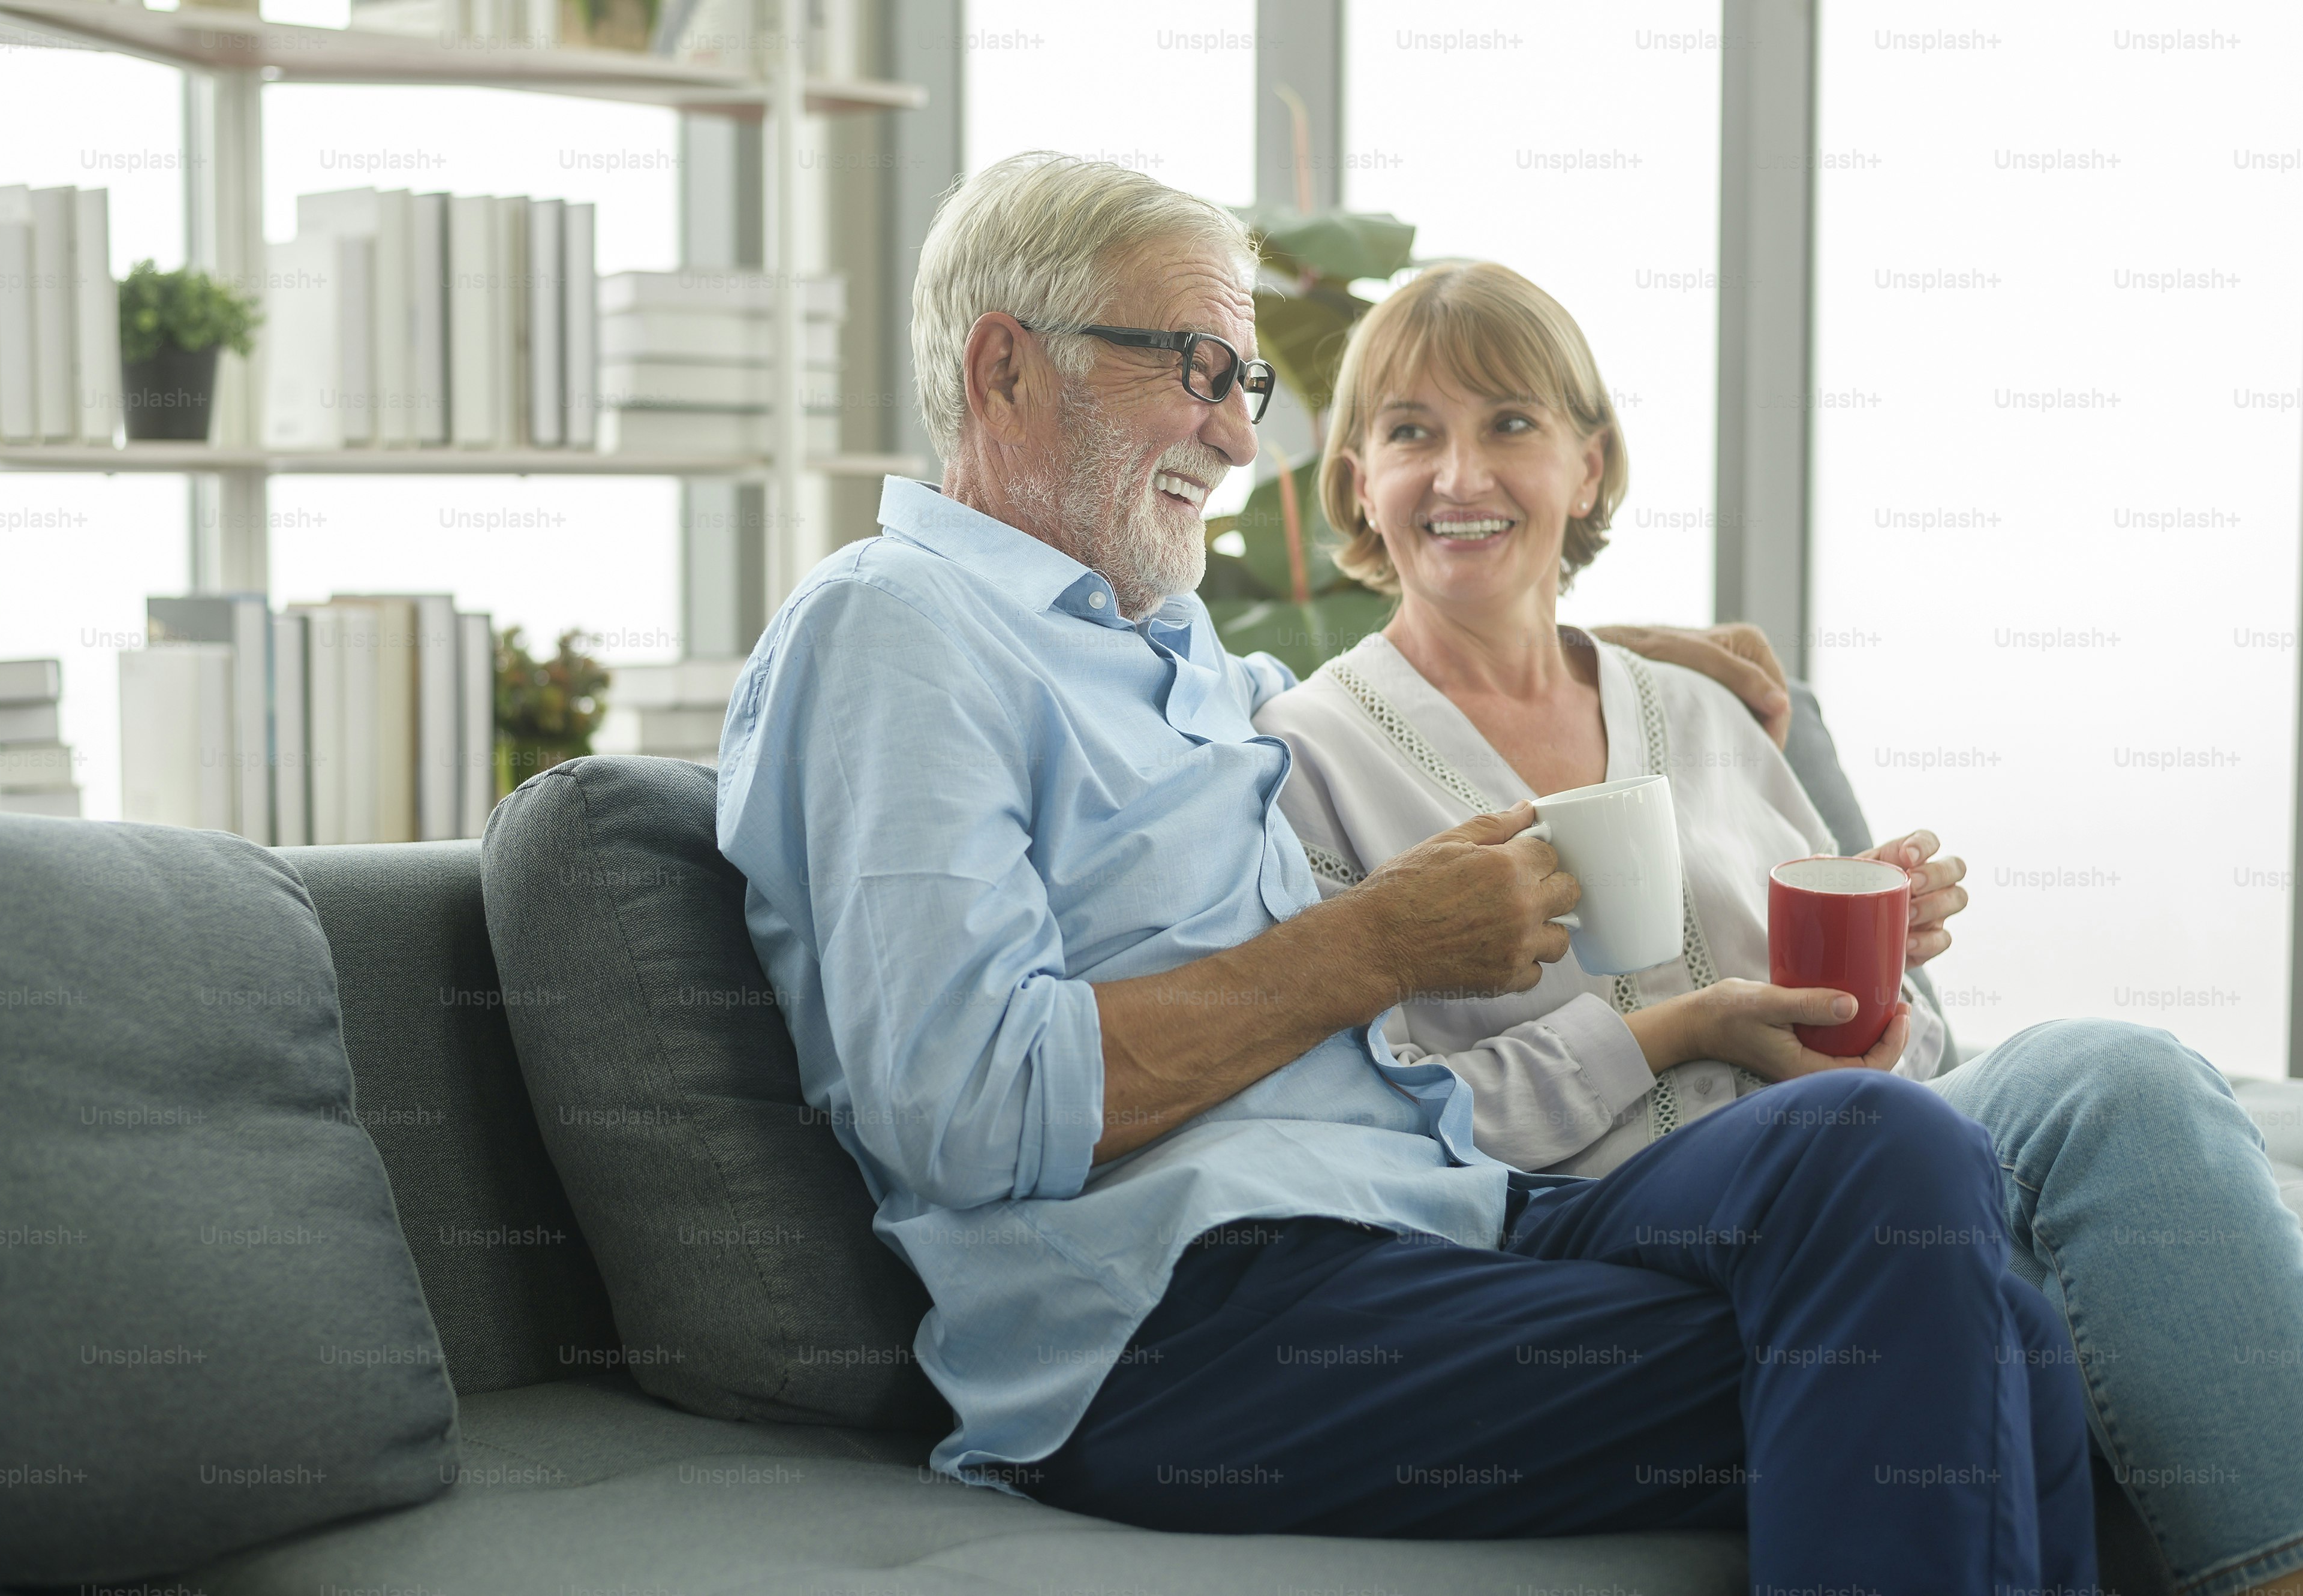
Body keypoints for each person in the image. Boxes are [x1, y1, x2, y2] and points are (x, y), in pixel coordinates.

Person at [717, 152, 2096, 1591]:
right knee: (1960, 1320)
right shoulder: (896, 627)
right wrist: (1376, 944)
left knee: (1894, 1149)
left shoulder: (1169, 650)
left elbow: (1417, 668)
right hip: (1181, 1330)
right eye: (1191, 365)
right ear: (1002, 368)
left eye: (1242, 383)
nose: (1234, 440)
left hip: (1428, 1208)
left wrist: (1626, 654)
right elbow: (965, 1106)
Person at [1255, 257, 2303, 1596]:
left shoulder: (1694, 710)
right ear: (1355, 482)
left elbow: (1904, 1062)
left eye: (1508, 423)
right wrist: (1666, 1034)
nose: (1459, 473)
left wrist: (1880, 986)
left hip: (1862, 1168)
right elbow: (1366, 1118)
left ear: (1587, 464)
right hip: (1582, 1207)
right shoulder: (1302, 752)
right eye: (1410, 433)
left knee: (2128, 1073)